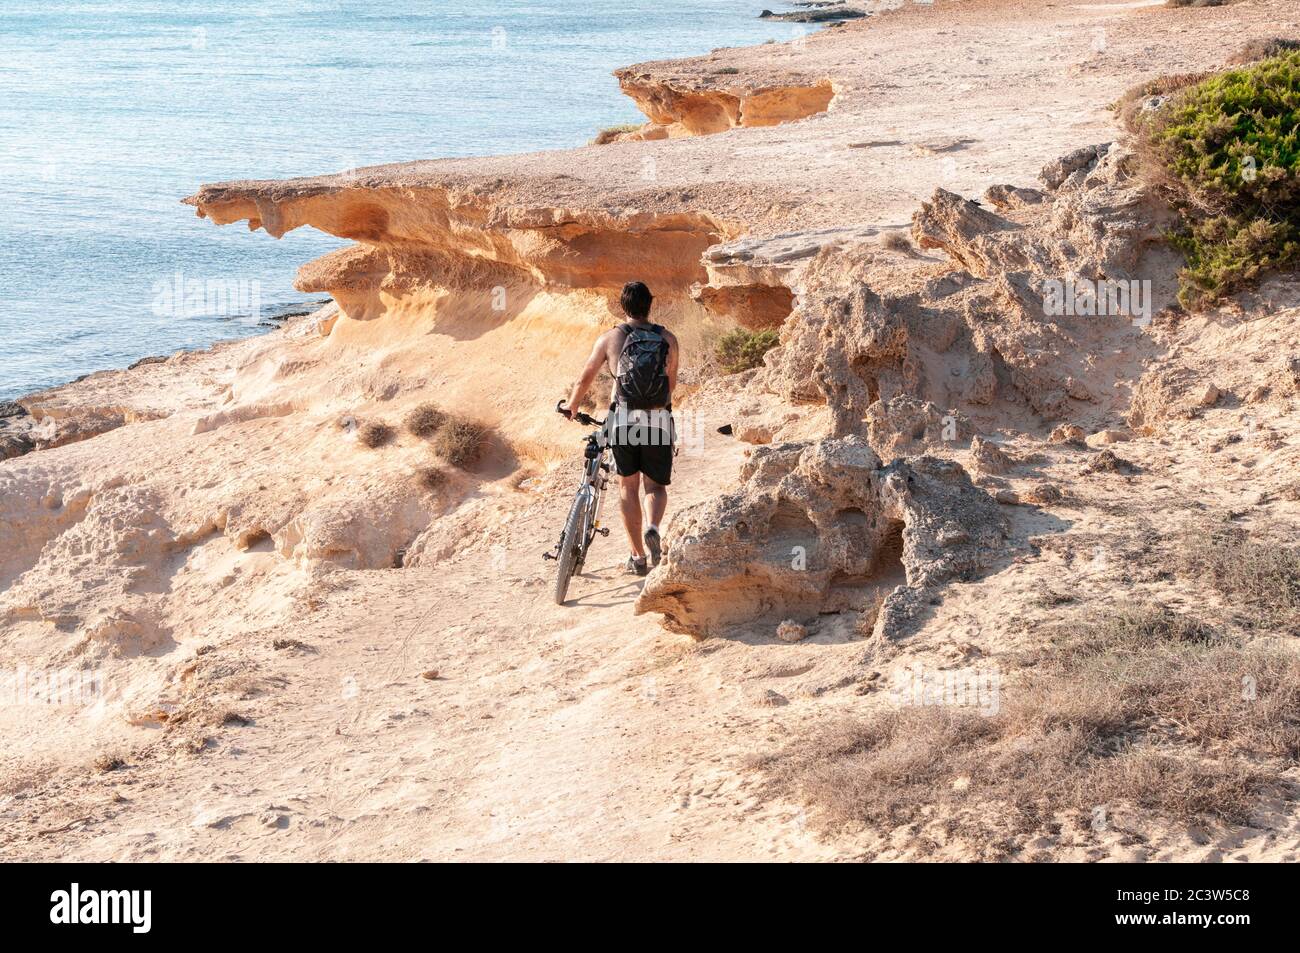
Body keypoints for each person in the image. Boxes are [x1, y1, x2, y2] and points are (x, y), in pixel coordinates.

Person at [563, 281, 678, 576]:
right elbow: (671, 383)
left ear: (622, 306)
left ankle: (637, 556)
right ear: (649, 304)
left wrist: (572, 406)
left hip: (624, 419)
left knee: (628, 486)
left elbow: (584, 379)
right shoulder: (668, 338)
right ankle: (653, 527)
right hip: (657, 418)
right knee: (655, 486)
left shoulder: (610, 339)